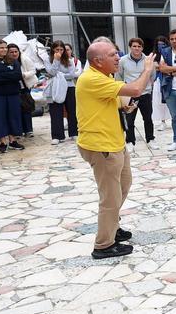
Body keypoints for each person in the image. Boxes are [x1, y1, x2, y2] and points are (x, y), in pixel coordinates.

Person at [76, 41, 156, 259]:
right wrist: (147, 69)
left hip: (115, 142)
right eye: (112, 55)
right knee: (110, 197)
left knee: (124, 184)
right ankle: (103, 245)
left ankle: (111, 226)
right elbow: (137, 88)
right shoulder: (91, 78)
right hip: (101, 147)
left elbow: (114, 99)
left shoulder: (105, 77)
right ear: (97, 61)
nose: (117, 58)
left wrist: (124, 106)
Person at [0, 38, 25, 154]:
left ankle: (12, 140)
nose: (4, 50)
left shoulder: (12, 60)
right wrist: (8, 75)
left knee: (13, 116)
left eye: (5, 47)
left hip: (12, 93)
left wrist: (1, 75)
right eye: (1, 47)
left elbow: (17, 75)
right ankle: (3, 142)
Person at [120, 38, 155, 153]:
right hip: (130, 94)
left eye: (139, 46)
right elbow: (119, 76)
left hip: (144, 93)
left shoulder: (148, 60)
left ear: (142, 48)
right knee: (130, 120)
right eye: (134, 46)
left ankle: (150, 139)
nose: (137, 48)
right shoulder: (123, 60)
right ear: (130, 47)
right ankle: (130, 141)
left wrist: (147, 88)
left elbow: (152, 75)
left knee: (148, 118)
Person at [45, 41, 80, 145]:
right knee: (55, 111)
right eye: (57, 50)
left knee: (72, 110)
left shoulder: (69, 60)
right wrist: (56, 61)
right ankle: (57, 135)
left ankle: (74, 133)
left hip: (69, 86)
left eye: (61, 50)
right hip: (55, 87)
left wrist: (59, 76)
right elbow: (52, 72)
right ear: (53, 50)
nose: (59, 52)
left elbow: (72, 74)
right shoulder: (48, 60)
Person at [5, 43, 35, 138]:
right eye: (11, 52)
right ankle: (18, 130)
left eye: (16, 51)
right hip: (12, 88)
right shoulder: (5, 62)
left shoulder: (24, 59)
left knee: (26, 107)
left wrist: (24, 74)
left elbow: (33, 70)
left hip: (24, 86)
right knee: (15, 109)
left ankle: (28, 130)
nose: (14, 54)